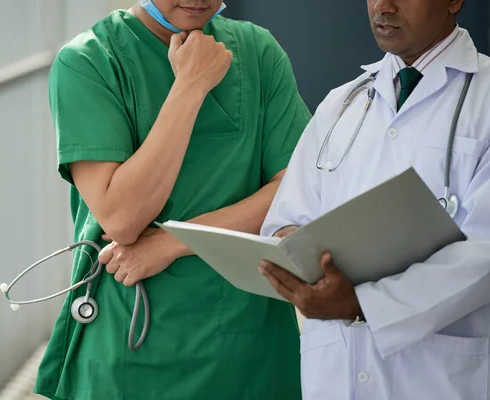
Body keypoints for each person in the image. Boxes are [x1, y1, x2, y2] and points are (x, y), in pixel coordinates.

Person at [33, 1, 312, 399]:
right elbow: (122, 218)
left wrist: (171, 242)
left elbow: (299, 188)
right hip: (131, 342)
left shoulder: (257, 51)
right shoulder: (89, 61)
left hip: (246, 341)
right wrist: (190, 86)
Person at [259, 0, 490, 399]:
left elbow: (484, 255)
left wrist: (362, 304)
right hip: (334, 377)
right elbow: (286, 217)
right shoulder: (340, 104)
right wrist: (293, 245)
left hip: (438, 380)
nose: (383, 6)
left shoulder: (484, 98)